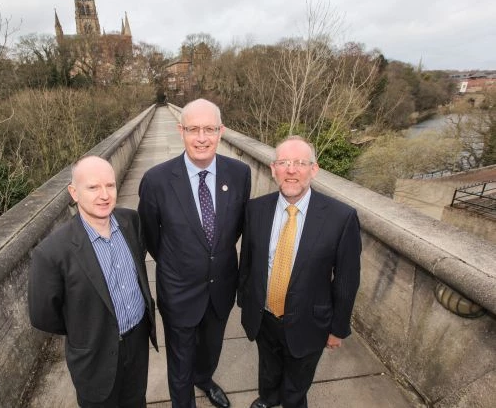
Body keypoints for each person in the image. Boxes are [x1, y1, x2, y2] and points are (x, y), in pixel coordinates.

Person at [138, 99, 251, 408]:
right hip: (178, 290)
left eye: (210, 129)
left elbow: (235, 228)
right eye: (194, 129)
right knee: (180, 360)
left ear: (221, 131)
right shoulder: (156, 181)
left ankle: (205, 379)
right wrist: (181, 262)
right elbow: (150, 235)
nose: (202, 137)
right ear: (181, 131)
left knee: (211, 349)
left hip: (222, 286)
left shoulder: (240, 174)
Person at [238, 136, 361, 408]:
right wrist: (244, 300)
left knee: (297, 384)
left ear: (313, 169)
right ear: (273, 169)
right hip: (264, 316)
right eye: (283, 163)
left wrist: (338, 328)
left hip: (309, 322)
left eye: (300, 163)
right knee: (268, 369)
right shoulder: (255, 209)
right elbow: (248, 259)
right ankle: (268, 399)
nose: (291, 170)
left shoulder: (341, 217)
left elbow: (346, 279)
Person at [28, 156, 157, 408]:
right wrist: (86, 328)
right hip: (94, 354)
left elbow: (138, 269)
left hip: (138, 340)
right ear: (74, 193)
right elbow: (43, 316)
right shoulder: (52, 252)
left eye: (109, 185)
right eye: (93, 187)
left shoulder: (131, 222)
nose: (104, 195)